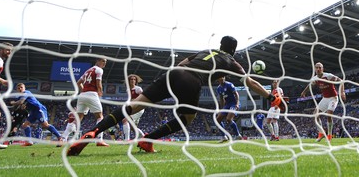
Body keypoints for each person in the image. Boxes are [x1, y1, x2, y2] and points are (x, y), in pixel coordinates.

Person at [66, 35, 282, 156]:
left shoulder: (206, 51)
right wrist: (270, 96)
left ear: (220, 46)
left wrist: (173, 81)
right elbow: (250, 82)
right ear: (233, 50)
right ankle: (147, 140)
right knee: (187, 118)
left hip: (173, 73)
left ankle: (93, 132)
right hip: (191, 81)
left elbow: (182, 64)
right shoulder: (231, 62)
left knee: (135, 105)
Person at [300, 62, 345, 142]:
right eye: (316, 67)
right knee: (315, 115)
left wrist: (342, 92)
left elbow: (341, 81)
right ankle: (321, 134)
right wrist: (304, 92)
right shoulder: (315, 79)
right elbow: (310, 85)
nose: (318, 69)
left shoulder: (328, 76)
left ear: (322, 69)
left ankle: (329, 135)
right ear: (314, 69)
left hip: (333, 98)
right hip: (325, 99)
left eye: (319, 67)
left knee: (329, 114)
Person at [74, 58, 109, 147]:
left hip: (82, 95)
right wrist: (100, 92)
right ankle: (99, 140)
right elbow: (98, 82)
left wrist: (83, 91)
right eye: (103, 61)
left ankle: (67, 138)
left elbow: (78, 83)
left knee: (78, 118)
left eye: (105, 62)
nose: (104, 63)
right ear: (97, 61)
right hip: (92, 94)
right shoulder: (99, 70)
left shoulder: (88, 70)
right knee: (100, 116)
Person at [215, 76, 242, 143]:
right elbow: (221, 99)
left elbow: (236, 94)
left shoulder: (229, 85)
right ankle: (224, 137)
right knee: (217, 119)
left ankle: (238, 135)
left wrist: (237, 103)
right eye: (220, 77)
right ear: (217, 79)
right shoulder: (218, 88)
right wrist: (221, 109)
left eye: (223, 77)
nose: (222, 78)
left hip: (234, 103)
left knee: (228, 119)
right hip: (227, 105)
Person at [122, 74, 145, 141]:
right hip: (132, 108)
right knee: (132, 127)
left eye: (134, 79)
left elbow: (143, 97)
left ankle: (126, 140)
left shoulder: (138, 89)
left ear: (136, 81)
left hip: (139, 107)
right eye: (131, 79)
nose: (133, 80)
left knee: (124, 120)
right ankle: (144, 138)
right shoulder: (128, 90)